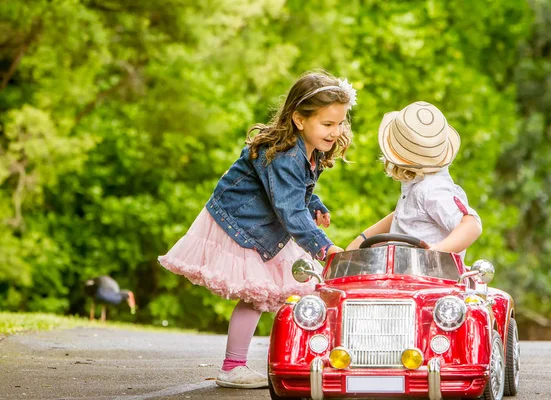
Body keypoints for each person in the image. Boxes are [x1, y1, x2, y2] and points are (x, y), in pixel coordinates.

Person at [158, 70, 356, 389]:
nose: (335, 132)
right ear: (299, 119)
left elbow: (293, 192)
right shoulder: (286, 155)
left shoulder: (309, 149)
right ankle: (233, 366)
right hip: (241, 224)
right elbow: (288, 206)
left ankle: (308, 358)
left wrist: (313, 202)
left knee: (301, 290)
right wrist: (324, 246)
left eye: (340, 123)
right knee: (256, 295)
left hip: (268, 226)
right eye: (328, 124)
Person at [346, 101, 481, 260]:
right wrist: (363, 238)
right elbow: (403, 216)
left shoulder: (433, 188)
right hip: (404, 273)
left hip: (431, 277)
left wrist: (436, 252)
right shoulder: (417, 186)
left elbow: (472, 224)